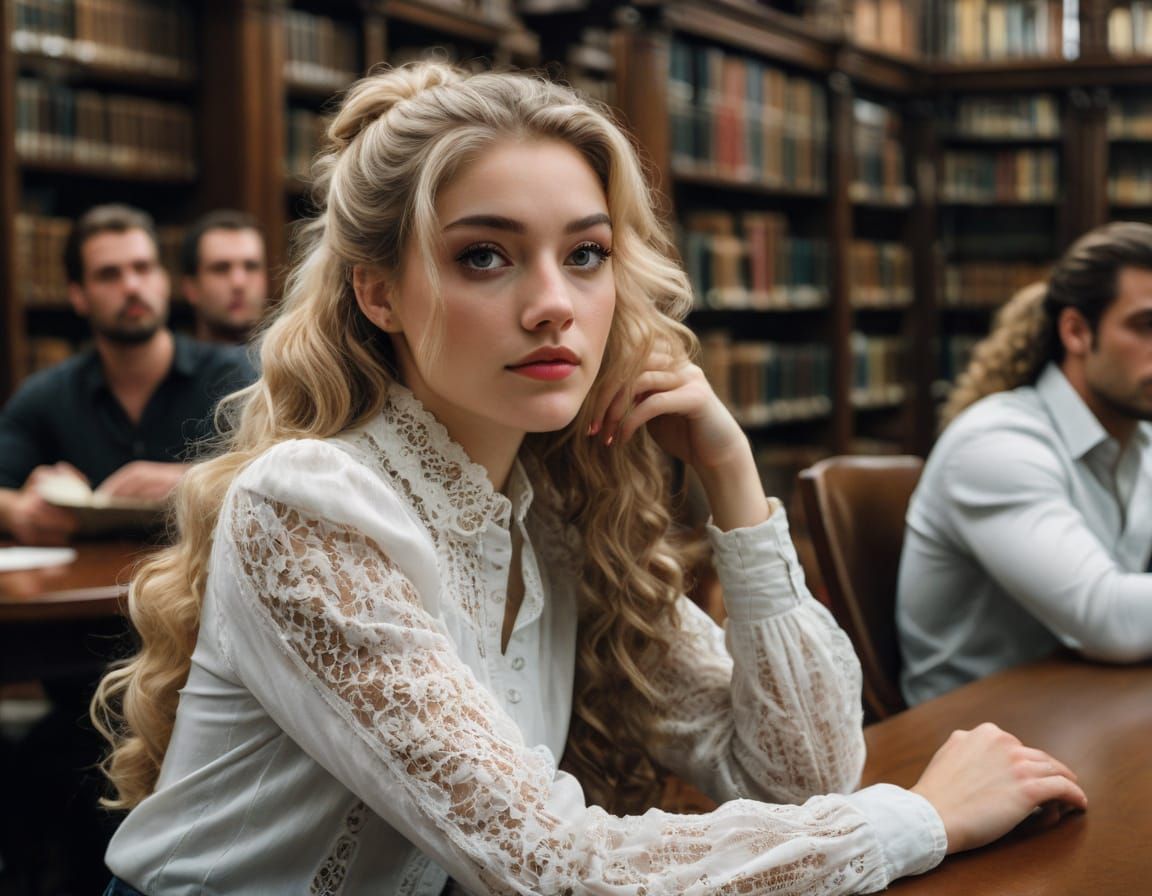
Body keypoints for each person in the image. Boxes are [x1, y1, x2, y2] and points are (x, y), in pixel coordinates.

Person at [92, 63, 1084, 896]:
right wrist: (916, 819)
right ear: (378, 290)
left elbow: (803, 772)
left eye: (587, 254)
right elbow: (553, 865)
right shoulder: (312, 503)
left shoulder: (555, 514)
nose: (553, 305)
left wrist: (735, 483)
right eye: (485, 255)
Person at [898, 222, 1152, 705]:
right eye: (1147, 326)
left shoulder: (1140, 435)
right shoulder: (996, 444)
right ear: (1077, 331)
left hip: (1088, 706)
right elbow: (1108, 617)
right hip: (968, 741)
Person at [0, 204, 255, 546]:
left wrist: (189, 480)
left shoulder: (236, 376)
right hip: (86, 594)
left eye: (143, 268)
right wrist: (16, 510)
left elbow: (288, 473)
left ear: (164, 280)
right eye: (109, 275)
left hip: (199, 590)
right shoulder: (47, 395)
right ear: (78, 296)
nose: (132, 286)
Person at [180, 209, 270, 344]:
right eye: (221, 269)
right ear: (190, 288)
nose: (239, 283)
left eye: (251, 267)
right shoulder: (166, 361)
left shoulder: (290, 363)